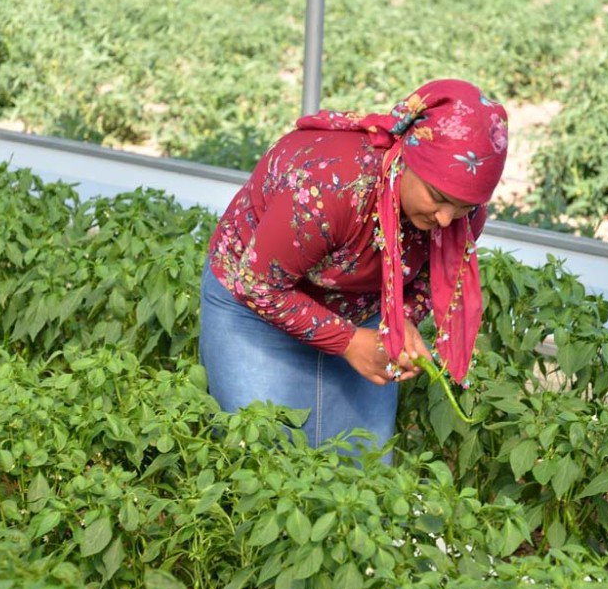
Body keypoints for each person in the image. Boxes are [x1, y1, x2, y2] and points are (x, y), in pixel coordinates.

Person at [198, 79, 508, 457]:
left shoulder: (462, 213)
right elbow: (259, 285)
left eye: (464, 206)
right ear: (407, 159)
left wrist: (401, 320)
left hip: (358, 310)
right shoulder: (332, 186)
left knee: (361, 468)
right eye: (439, 198)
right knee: (265, 458)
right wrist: (348, 342)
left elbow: (428, 280)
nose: (447, 219)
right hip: (257, 308)